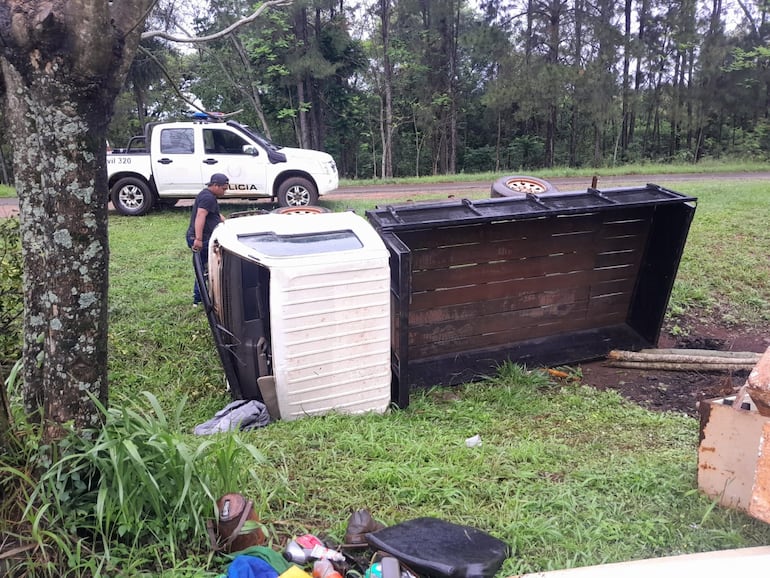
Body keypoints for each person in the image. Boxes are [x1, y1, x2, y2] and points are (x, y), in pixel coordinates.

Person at [186, 173, 229, 306]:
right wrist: (198, 239)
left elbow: (215, 214)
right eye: (223, 188)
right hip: (201, 239)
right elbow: (200, 215)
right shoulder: (207, 198)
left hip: (203, 238)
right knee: (205, 269)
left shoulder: (208, 195)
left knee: (205, 267)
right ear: (215, 185)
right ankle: (200, 299)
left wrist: (228, 223)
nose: (225, 191)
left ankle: (201, 298)